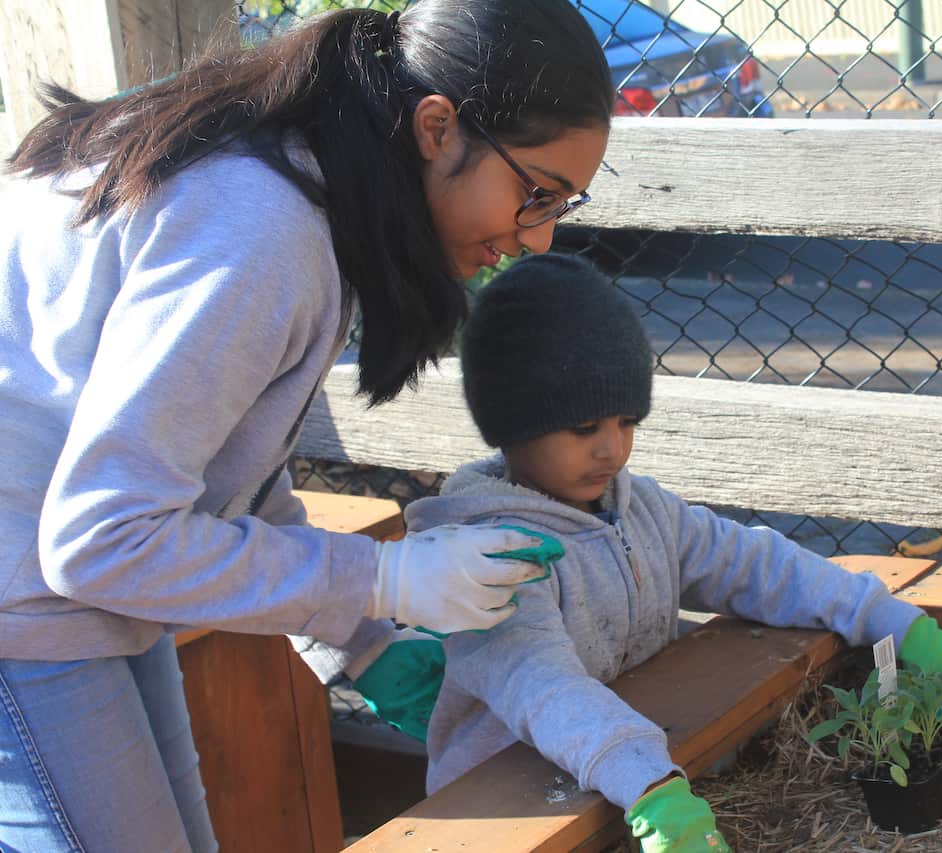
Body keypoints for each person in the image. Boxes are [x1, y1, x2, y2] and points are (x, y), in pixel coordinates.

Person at [0, 2, 613, 849]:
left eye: (563, 203)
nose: (540, 237)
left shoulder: (315, 184)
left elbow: (215, 466)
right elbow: (102, 538)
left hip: (63, 566)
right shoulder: (264, 226)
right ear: (437, 127)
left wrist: (361, 637)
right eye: (534, 192)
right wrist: (382, 579)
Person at [405, 253, 942, 852]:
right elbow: (543, 687)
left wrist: (896, 624)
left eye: (627, 422)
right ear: (509, 425)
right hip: (505, 808)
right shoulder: (481, 558)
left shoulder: (639, 507)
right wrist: (651, 787)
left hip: (622, 779)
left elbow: (753, 563)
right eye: (584, 428)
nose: (612, 450)